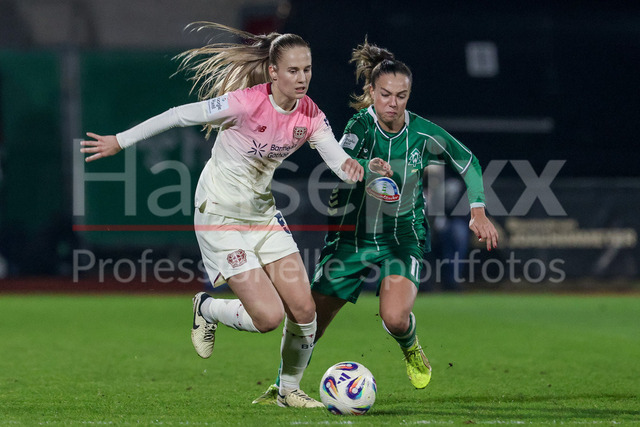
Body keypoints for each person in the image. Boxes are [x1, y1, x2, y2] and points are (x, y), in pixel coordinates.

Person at [80, 23, 391, 408]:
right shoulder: (244, 102)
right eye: (293, 70)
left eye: (307, 69)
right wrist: (120, 141)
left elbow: (341, 165)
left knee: (305, 310)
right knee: (268, 318)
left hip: (262, 214)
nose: (302, 78)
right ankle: (206, 307)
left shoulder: (310, 114)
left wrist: (366, 169)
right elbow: (179, 115)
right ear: (273, 72)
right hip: (219, 215)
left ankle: (288, 391)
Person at [253, 38, 499, 404]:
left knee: (395, 318)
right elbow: (342, 160)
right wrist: (366, 168)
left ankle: (410, 345)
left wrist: (477, 210)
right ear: (371, 92)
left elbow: (468, 162)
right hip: (351, 239)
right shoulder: (361, 126)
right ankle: (284, 386)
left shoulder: (423, 133)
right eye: (385, 94)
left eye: (401, 96)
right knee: (310, 321)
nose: (393, 103)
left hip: (402, 237)